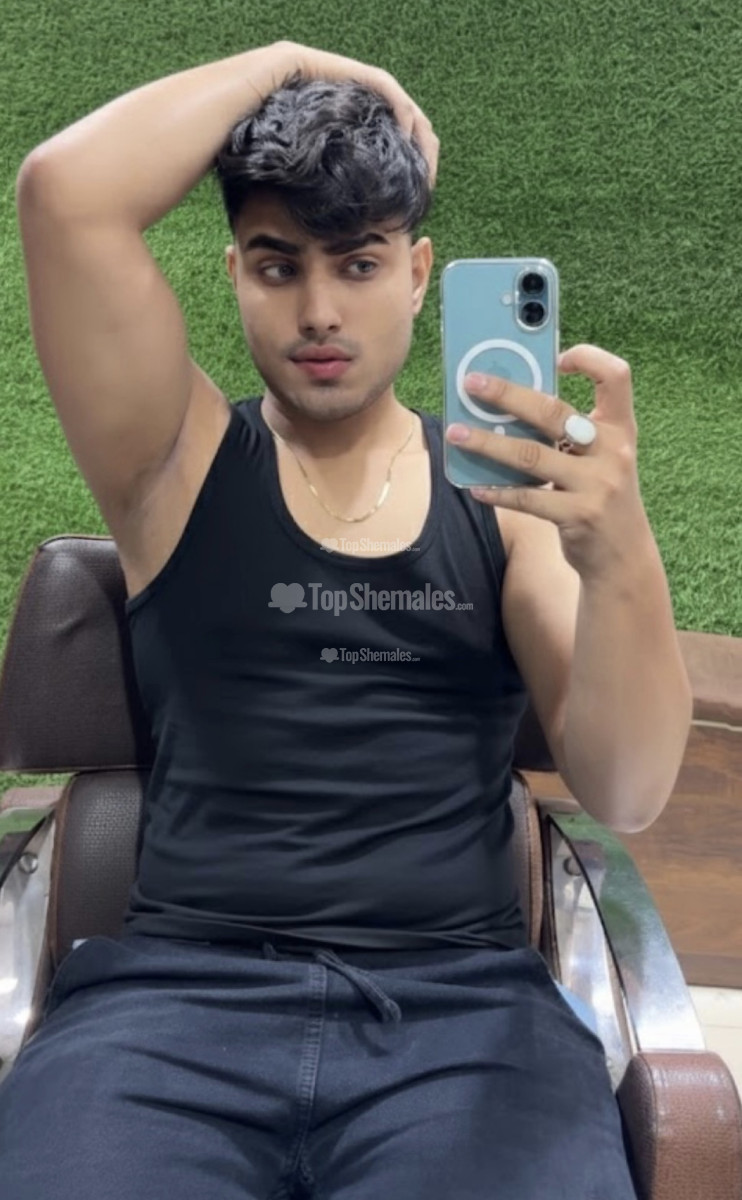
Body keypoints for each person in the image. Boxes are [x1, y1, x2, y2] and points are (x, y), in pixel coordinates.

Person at [5, 40, 692, 1199]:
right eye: (279, 266)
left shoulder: (508, 507)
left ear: (418, 274)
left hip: (464, 1021)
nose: (319, 311)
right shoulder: (171, 465)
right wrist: (286, 59)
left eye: (359, 263)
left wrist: (621, 554)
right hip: (175, 1011)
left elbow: (626, 792)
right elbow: (64, 191)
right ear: (234, 273)